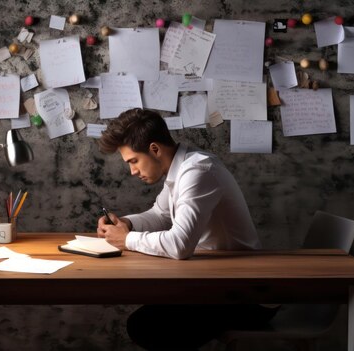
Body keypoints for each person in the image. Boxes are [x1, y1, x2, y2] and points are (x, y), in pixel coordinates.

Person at [96, 108, 278, 350]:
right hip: (213, 282)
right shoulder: (180, 169)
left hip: (241, 294)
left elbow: (180, 245)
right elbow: (159, 214)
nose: (133, 171)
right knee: (147, 321)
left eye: (133, 161)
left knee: (145, 326)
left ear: (154, 149)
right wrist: (126, 224)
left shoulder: (197, 171)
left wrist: (127, 239)